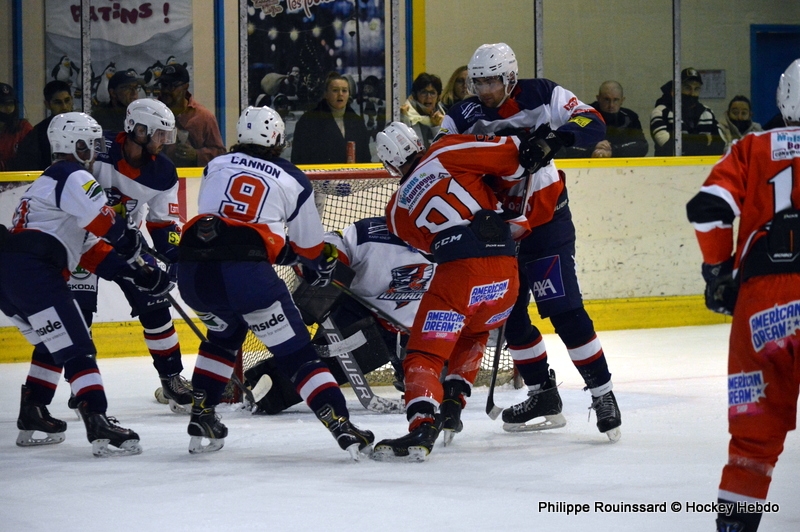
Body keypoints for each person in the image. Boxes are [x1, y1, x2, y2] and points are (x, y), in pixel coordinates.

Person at [439, 42, 622, 442]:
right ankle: (542, 394)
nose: (485, 90)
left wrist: (555, 141)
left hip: (546, 220)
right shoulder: (461, 117)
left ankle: (603, 394)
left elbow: (593, 122)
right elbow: (440, 162)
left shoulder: (542, 94)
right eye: (479, 82)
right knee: (509, 314)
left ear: (510, 77)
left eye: (492, 81)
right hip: (496, 230)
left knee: (564, 310)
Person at [176, 106, 374, 458]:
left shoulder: (215, 165)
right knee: (298, 355)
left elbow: (230, 221)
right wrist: (316, 268)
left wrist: (281, 251)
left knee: (222, 339)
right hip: (247, 278)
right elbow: (309, 248)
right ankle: (340, 423)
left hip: (195, 275)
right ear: (278, 140)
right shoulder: (292, 178)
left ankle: (202, 413)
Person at [2, 112, 170, 456]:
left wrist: (134, 273)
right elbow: (104, 223)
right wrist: (133, 246)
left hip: (12, 276)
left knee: (55, 340)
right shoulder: (72, 175)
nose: (96, 150)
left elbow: (91, 248)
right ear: (75, 145)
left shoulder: (49, 182)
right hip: (35, 271)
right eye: (92, 144)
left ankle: (33, 410)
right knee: (78, 345)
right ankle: (97, 419)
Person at [372, 122, 531, 461]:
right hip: (506, 277)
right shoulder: (447, 150)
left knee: (424, 354)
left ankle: (422, 425)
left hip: (459, 277)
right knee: (474, 332)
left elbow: (429, 248)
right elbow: (517, 156)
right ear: (418, 140)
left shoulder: (395, 213)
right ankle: (453, 401)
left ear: (388, 165)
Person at [687, 58, 800, 532]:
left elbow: (708, 208)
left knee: (753, 438)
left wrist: (718, 273)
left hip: (764, 304)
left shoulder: (754, 146)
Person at [246, 215, 435, 414]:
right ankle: (269, 387)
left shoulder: (453, 241)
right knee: (288, 386)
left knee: (437, 385)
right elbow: (334, 244)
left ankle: (409, 373)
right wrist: (320, 260)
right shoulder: (369, 232)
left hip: (415, 330)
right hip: (363, 318)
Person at [88, 98, 193, 413]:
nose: (164, 142)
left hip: (125, 245)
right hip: (77, 243)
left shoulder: (163, 173)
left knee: (156, 301)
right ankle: (83, 387)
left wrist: (174, 256)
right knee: (75, 313)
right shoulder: (95, 148)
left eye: (166, 136)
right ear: (137, 128)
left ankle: (172, 379)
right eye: (159, 134)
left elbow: (163, 224)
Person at [291, 72, 371, 165]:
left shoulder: (357, 122)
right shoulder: (308, 121)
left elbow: (365, 159)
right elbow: (298, 160)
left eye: (344, 90)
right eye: (335, 90)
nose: (340, 94)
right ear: (326, 94)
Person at [155, 63, 225, 167]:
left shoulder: (204, 117)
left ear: (185, 87)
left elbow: (220, 154)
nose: (165, 90)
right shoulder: (152, 112)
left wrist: (197, 155)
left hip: (192, 180)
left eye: (172, 86)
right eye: (163, 85)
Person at [558, 80, 648, 158]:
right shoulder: (585, 115)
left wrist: (612, 150)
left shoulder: (629, 118)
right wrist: (592, 149)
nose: (611, 105)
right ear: (598, 99)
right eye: (606, 99)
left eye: (615, 100)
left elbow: (642, 146)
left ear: (622, 100)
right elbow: (562, 146)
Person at [650, 67, 725, 156]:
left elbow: (720, 146)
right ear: (675, 90)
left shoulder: (707, 112)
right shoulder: (661, 112)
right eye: (687, 88)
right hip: (670, 168)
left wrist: (686, 142)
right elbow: (668, 146)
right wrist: (705, 139)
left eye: (696, 89)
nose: (692, 93)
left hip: (702, 167)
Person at [9, 80, 73, 171]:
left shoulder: (85, 127)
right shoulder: (38, 133)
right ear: (47, 104)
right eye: (58, 102)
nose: (64, 107)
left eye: (67, 100)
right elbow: (27, 166)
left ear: (72, 99)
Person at [400, 72, 446, 148]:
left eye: (432, 93)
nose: (428, 97)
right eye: (424, 92)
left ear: (438, 96)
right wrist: (404, 119)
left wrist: (436, 127)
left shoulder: (444, 118)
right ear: (415, 96)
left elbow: (444, 150)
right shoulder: (404, 114)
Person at [91, 69, 145, 133]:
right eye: (128, 88)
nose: (134, 92)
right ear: (113, 93)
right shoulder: (101, 118)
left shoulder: (141, 116)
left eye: (136, 87)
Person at [0, 83, 33, 171]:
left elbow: (31, 160)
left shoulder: (23, 128)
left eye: (11, 104)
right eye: (3, 104)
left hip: (18, 181)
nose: (8, 108)